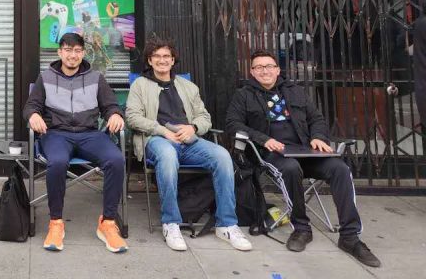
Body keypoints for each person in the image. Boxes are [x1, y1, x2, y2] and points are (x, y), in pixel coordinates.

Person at [225, 49, 381, 268]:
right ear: (252, 72)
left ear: (277, 70)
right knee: (289, 168)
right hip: (271, 154)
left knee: (340, 169)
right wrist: (263, 139)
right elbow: (233, 124)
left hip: (305, 150)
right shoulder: (243, 95)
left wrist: (318, 137)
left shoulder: (295, 91)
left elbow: (317, 118)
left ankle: (350, 236)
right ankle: (301, 228)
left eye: (269, 66)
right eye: (258, 67)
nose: (264, 71)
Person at [125, 37, 252, 252]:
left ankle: (227, 224)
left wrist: (192, 127)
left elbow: (205, 117)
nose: (162, 60)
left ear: (173, 60)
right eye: (157, 56)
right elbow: (132, 117)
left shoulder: (188, 87)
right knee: (167, 156)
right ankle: (171, 223)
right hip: (157, 140)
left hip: (189, 141)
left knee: (222, 156)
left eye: (166, 56)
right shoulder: (140, 84)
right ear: (149, 60)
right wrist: (162, 130)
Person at [22, 32, 128, 253]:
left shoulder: (95, 77)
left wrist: (115, 115)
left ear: (83, 53)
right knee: (58, 162)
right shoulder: (46, 77)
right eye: (68, 50)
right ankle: (56, 222)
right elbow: (31, 105)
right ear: (60, 52)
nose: (72, 55)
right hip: (56, 134)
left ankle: (108, 222)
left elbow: (110, 105)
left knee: (116, 159)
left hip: (89, 134)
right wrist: (33, 115)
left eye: (77, 50)